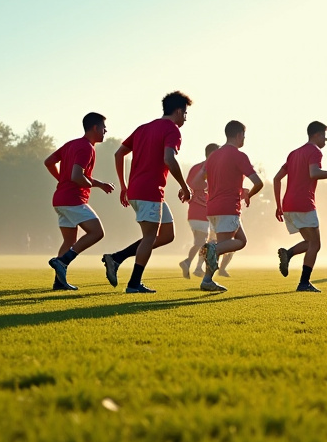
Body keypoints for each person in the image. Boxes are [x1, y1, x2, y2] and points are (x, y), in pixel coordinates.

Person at [102, 92, 193, 294]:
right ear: (179, 111)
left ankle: (116, 258)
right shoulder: (172, 130)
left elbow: (119, 153)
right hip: (149, 192)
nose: (186, 118)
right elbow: (169, 159)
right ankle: (134, 284)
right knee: (150, 237)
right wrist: (185, 187)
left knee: (167, 235)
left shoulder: (143, 128)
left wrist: (124, 186)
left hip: (139, 191)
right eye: (185, 114)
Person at [44, 112, 115, 291]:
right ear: (95, 128)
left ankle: (59, 282)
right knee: (97, 232)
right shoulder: (86, 148)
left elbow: (49, 162)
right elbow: (77, 176)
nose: (106, 131)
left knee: (69, 241)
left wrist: (62, 179)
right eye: (104, 127)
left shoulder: (71, 144)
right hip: (72, 200)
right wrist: (94, 184)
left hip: (60, 199)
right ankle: (63, 261)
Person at [191, 120, 264, 292]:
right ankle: (207, 278)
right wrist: (248, 194)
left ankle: (209, 267)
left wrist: (213, 189)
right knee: (220, 247)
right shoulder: (239, 156)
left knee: (241, 241)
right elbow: (258, 183)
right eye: (244, 136)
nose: (244, 139)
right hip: (228, 208)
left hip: (213, 208)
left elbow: (196, 181)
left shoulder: (213, 156)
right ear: (239, 135)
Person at [274, 121, 327, 292]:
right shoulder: (314, 151)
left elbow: (277, 179)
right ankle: (304, 283)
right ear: (316, 135)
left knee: (311, 242)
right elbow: (314, 173)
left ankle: (288, 254)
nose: (325, 140)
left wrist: (278, 206)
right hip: (304, 203)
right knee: (315, 244)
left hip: (288, 204)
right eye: (324, 136)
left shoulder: (294, 153)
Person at [179, 143, 219, 279]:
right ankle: (187, 262)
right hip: (199, 212)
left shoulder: (196, 168)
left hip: (200, 213)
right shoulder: (205, 169)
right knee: (201, 242)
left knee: (206, 242)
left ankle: (198, 267)